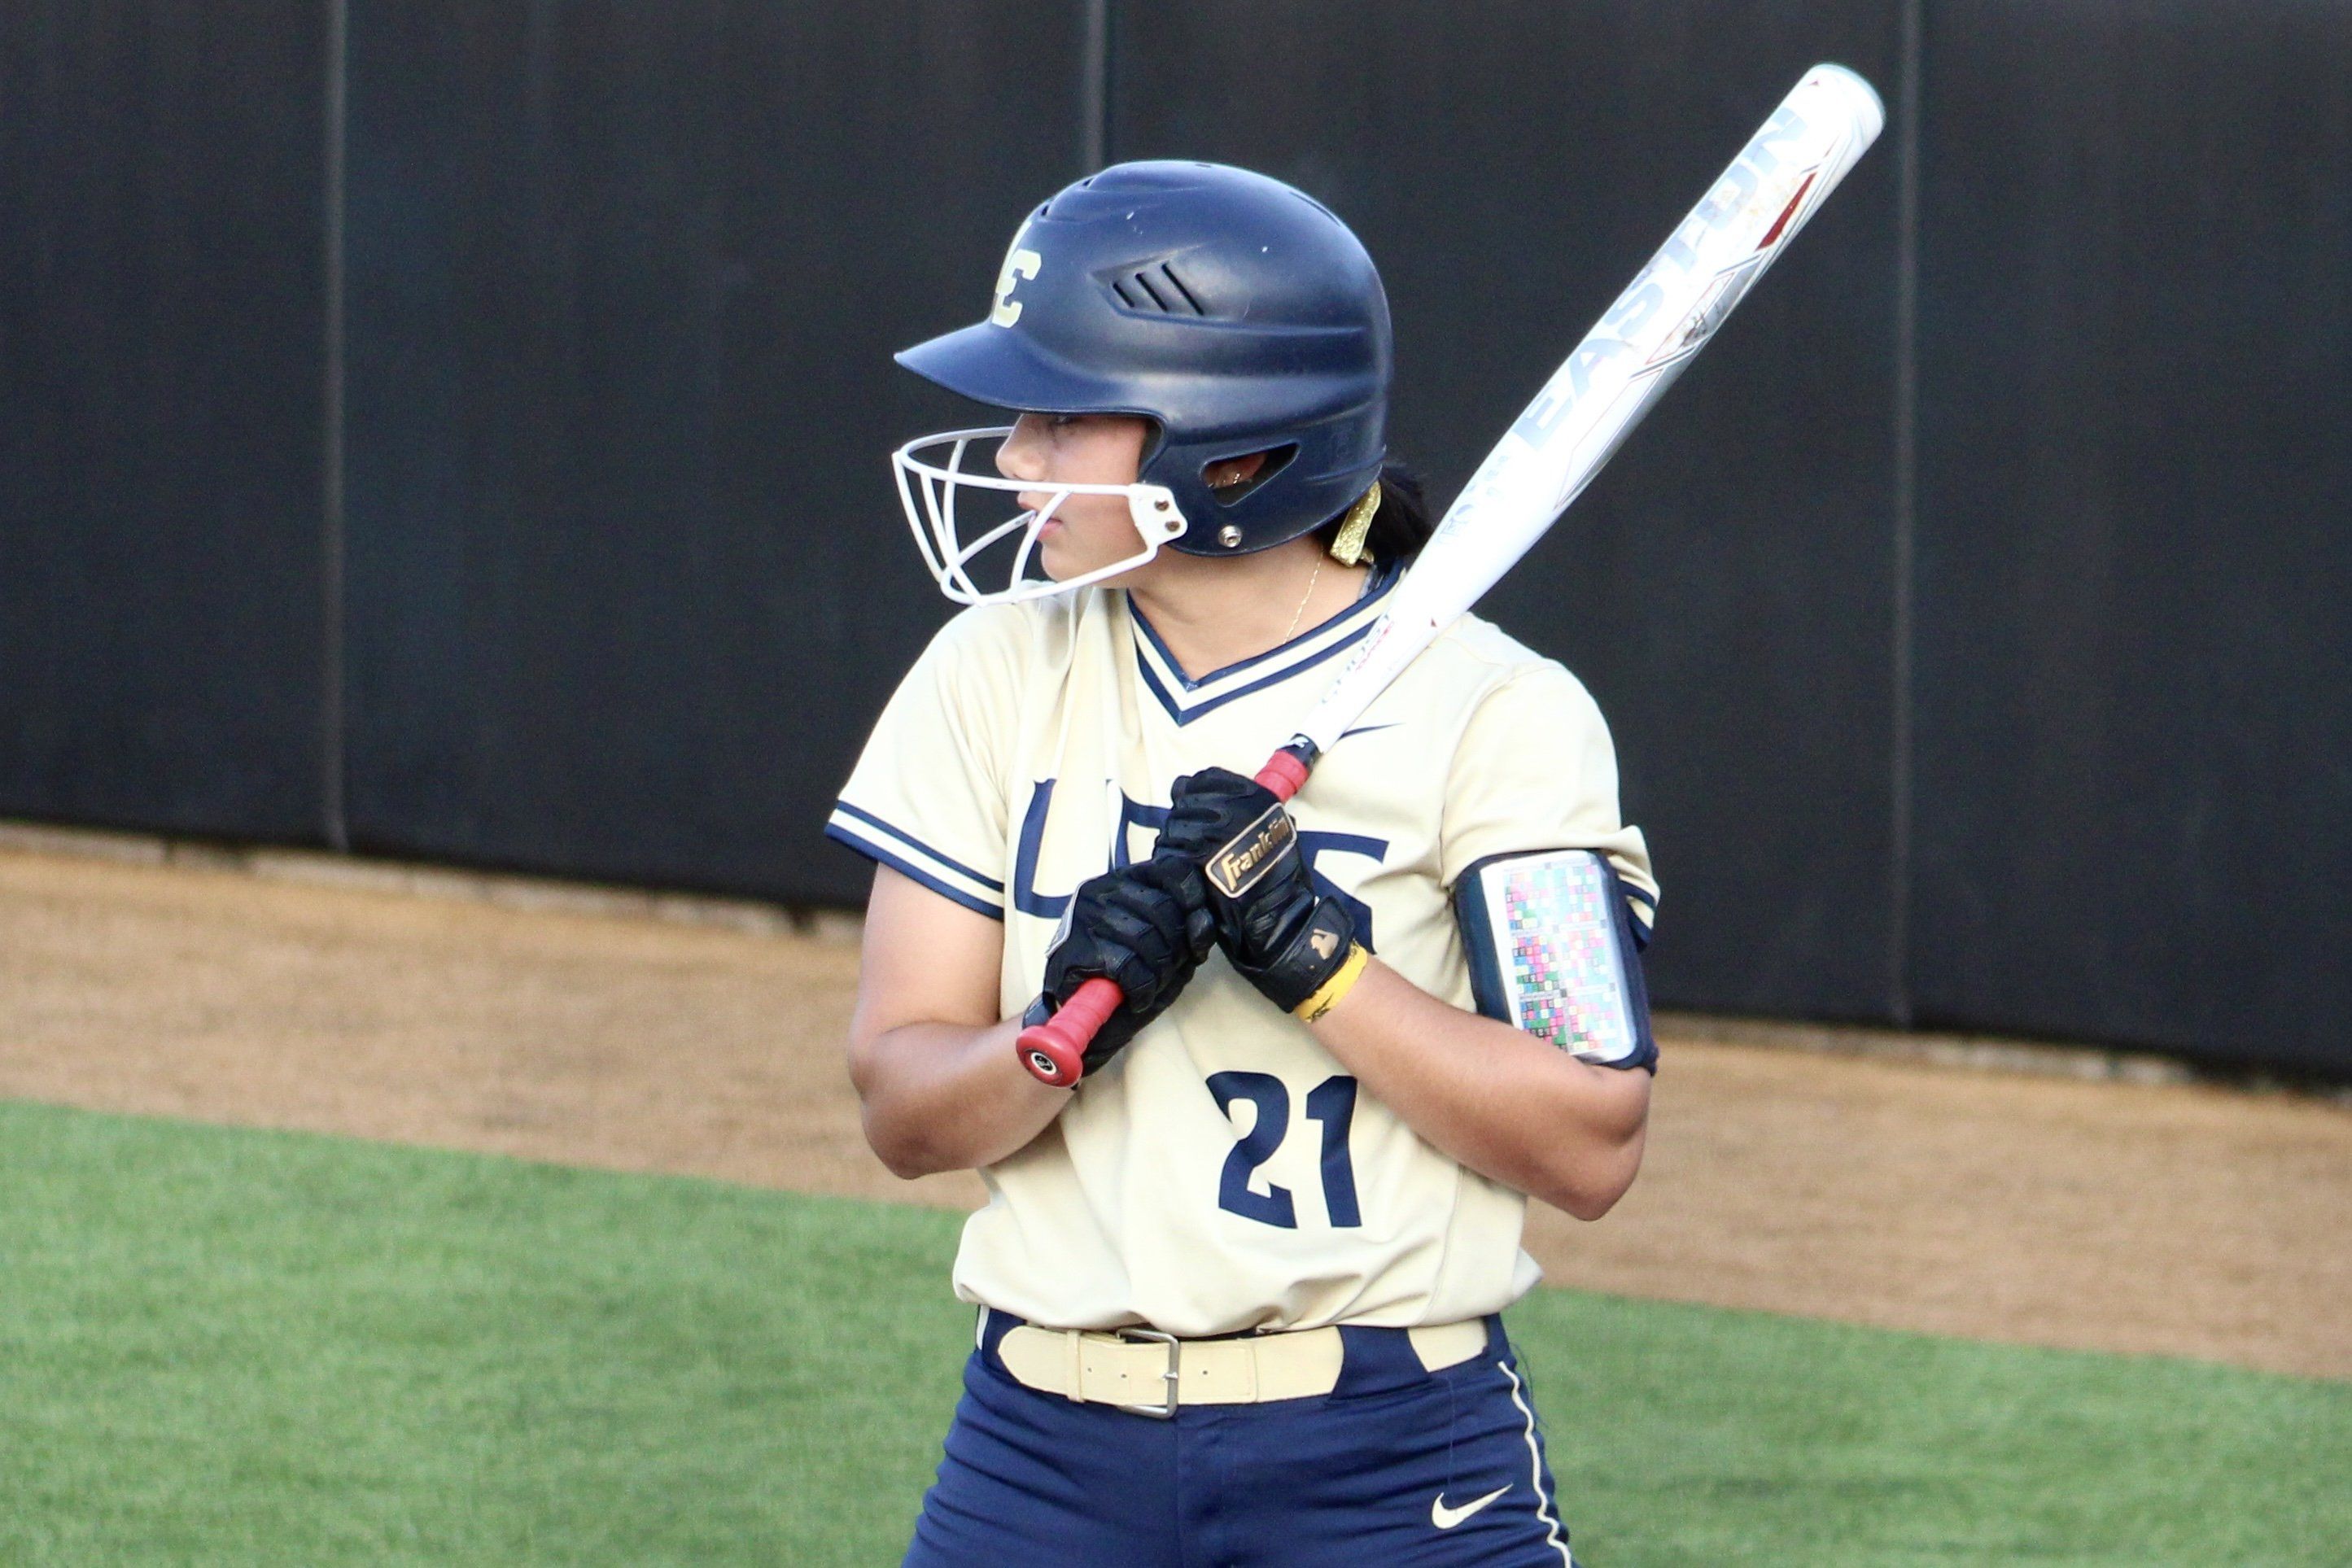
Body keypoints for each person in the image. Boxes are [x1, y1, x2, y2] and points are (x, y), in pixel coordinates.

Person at [827, 160, 1659, 1567]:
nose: (1015, 457)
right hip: (1041, 1453)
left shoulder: (1505, 715)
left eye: (1057, 415)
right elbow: (903, 1111)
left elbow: (1590, 1141)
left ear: (1226, 448)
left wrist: (1317, 966)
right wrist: (1052, 1039)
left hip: (1389, 1465)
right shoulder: (989, 672)